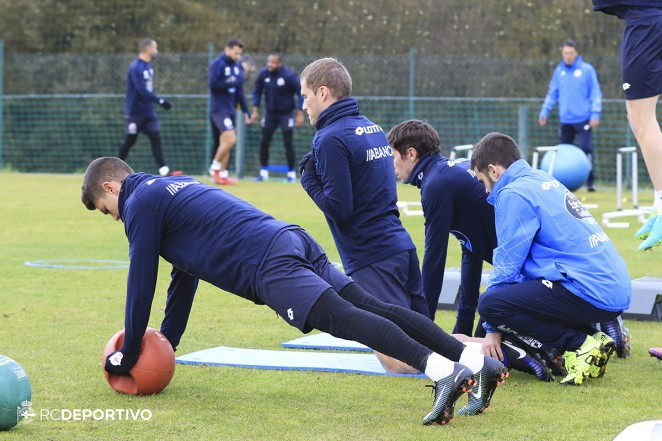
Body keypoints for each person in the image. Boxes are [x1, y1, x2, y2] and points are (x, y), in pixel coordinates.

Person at [81, 157, 507, 425]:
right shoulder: (174, 184)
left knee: (346, 320)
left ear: (111, 188)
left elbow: (141, 282)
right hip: (290, 237)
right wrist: (167, 343)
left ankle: (442, 371)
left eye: (107, 211)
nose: (115, 219)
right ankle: (473, 361)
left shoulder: (139, 204)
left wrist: (129, 350)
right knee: (369, 305)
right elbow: (183, 275)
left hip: (268, 263)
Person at [298, 58, 428, 374]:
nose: (303, 105)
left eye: (305, 96)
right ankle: (495, 355)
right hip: (400, 248)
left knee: (397, 359)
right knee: (430, 340)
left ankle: (498, 357)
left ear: (323, 93)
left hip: (373, 257)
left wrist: (309, 181)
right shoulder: (372, 127)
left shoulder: (329, 138)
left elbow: (341, 210)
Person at [469, 132, 632, 386]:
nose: (486, 191)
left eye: (482, 181)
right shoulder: (540, 178)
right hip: (613, 286)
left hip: (589, 289)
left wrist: (491, 327)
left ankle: (581, 344)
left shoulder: (513, 193)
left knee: (491, 303)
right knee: (512, 299)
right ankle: (596, 338)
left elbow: (507, 267)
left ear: (493, 171)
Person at [386, 120, 498, 338]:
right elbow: (471, 249)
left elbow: (434, 260)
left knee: (485, 337)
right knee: (475, 337)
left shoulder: (436, 184)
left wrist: (423, 330)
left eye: (393, 156)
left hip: (530, 271)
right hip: (523, 269)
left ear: (410, 154)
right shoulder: (445, 173)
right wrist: (463, 322)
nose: (392, 165)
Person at [592, 1, 662, 251]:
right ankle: (659, 202)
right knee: (636, 117)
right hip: (643, 22)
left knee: (643, 119)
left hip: (647, 22)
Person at [538, 40, 602, 192]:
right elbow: (552, 93)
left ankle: (590, 182)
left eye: (570, 53)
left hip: (584, 119)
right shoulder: (559, 71)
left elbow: (595, 93)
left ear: (576, 53)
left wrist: (595, 113)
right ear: (562, 54)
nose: (568, 56)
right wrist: (544, 111)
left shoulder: (587, 70)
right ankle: (561, 184)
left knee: (586, 149)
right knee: (562, 153)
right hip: (566, 120)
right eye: (565, 53)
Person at [118, 38, 180, 177]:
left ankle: (164, 170)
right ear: (148, 48)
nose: (156, 51)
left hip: (148, 111)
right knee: (130, 140)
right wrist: (160, 100)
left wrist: (156, 102)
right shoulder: (135, 67)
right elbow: (141, 90)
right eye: (155, 48)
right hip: (135, 112)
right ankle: (113, 168)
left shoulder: (148, 66)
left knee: (155, 137)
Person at [251, 53, 304, 182]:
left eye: (273, 62)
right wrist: (255, 110)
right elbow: (257, 91)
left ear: (280, 63)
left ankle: (291, 174)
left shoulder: (288, 76)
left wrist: (300, 113)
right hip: (270, 113)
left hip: (286, 114)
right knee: (264, 141)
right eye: (269, 62)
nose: (270, 64)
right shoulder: (264, 75)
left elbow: (301, 93)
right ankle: (263, 172)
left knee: (288, 143)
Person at [208, 38, 251, 186]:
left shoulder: (238, 67)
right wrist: (233, 82)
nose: (237, 56)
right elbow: (213, 84)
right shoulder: (217, 64)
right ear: (227, 49)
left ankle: (223, 174)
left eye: (240, 54)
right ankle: (214, 168)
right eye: (235, 53)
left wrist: (246, 110)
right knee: (231, 139)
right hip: (219, 109)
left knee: (226, 142)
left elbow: (239, 92)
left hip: (230, 109)